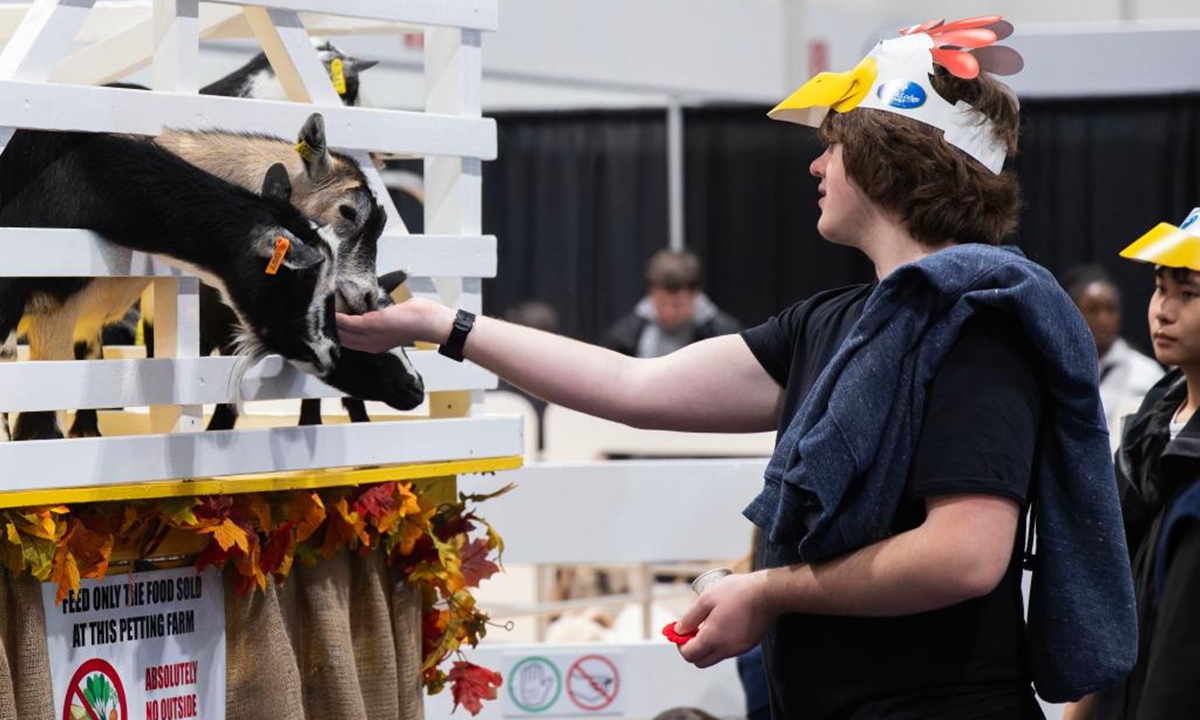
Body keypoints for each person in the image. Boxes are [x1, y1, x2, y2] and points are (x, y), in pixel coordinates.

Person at [337, 16, 1135, 720]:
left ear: (887, 159)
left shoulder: (977, 322)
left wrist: (770, 590)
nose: (817, 167)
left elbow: (964, 556)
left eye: (833, 143)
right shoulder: (840, 322)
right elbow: (634, 387)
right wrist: (439, 325)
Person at [1076, 209, 1200, 720]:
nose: (1163, 311)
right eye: (1158, 288)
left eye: (1188, 294)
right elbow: (1116, 581)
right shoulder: (1153, 421)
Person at [1060, 264, 1164, 449]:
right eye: (1093, 310)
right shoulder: (1058, 369)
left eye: (1111, 309)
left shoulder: (1146, 373)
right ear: (1074, 313)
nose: (1103, 319)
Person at [606, 249, 741, 358]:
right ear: (650, 295)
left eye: (677, 305)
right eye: (661, 304)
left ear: (695, 295)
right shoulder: (626, 335)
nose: (669, 312)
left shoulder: (724, 335)